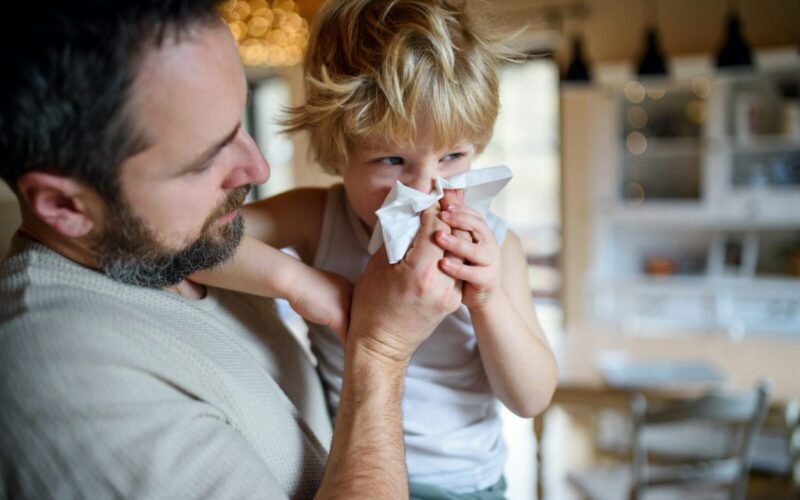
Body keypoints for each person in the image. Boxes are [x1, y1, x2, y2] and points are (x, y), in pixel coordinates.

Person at [0, 1, 465, 498]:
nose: (259, 168)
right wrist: (381, 352)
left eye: (240, 122)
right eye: (204, 160)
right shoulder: (63, 376)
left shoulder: (186, 246)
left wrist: (298, 281)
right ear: (64, 205)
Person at [192, 0, 559, 497]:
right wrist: (305, 283)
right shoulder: (319, 218)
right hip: (350, 468)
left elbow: (531, 397)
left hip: (466, 485)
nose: (426, 186)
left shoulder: (494, 243)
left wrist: (489, 300)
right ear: (337, 153)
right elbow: (194, 239)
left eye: (453, 156)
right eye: (392, 160)